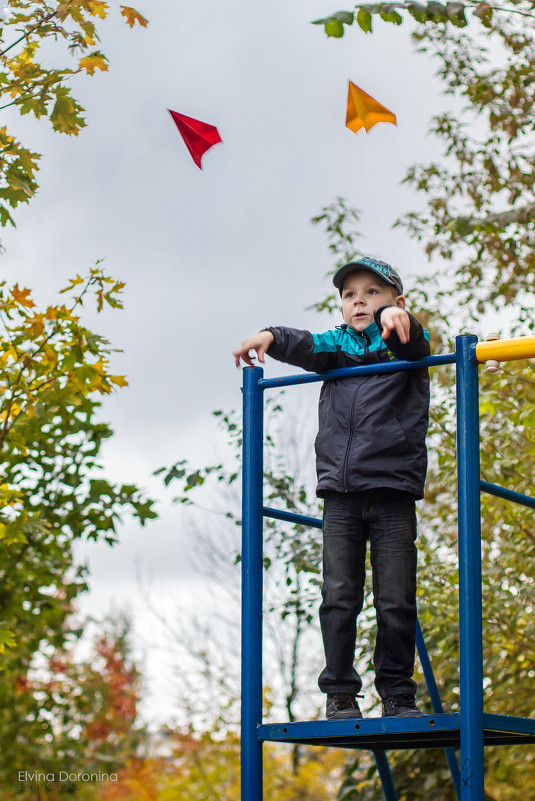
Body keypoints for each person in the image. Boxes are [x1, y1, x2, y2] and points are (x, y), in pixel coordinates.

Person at [233, 256, 430, 720]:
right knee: (339, 595)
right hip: (341, 493)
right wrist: (269, 335)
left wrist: (396, 319)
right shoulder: (337, 347)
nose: (359, 300)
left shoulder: (403, 342)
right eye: (349, 294)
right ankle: (340, 693)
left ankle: (397, 694)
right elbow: (304, 344)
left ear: (396, 302)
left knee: (395, 598)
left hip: (391, 490)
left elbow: (413, 340)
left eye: (372, 293)